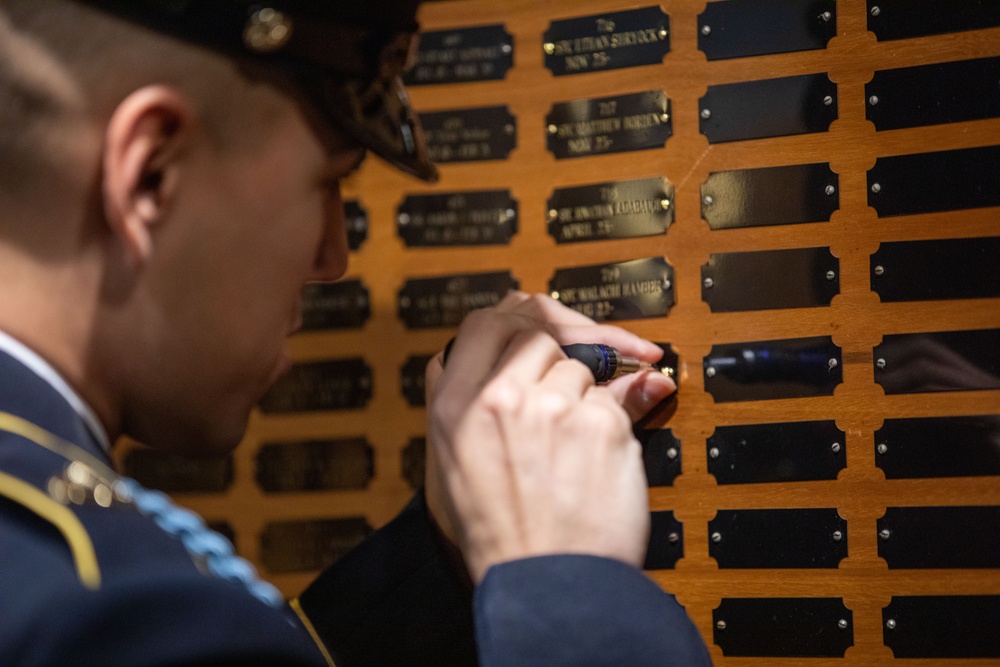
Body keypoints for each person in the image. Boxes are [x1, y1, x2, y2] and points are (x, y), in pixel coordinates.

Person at [0, 1, 712, 665]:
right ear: (151, 174)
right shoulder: (104, 616)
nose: (332, 258)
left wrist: (447, 546)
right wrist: (570, 595)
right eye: (326, 181)